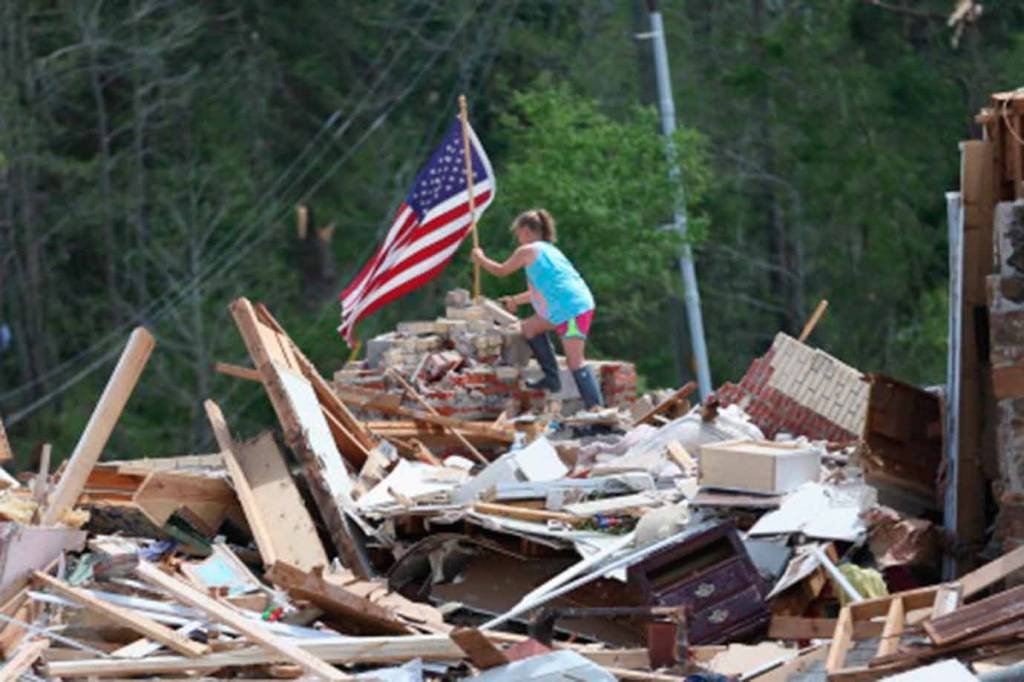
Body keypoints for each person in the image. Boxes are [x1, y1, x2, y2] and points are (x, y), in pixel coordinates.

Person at [470, 209, 603, 408]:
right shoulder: (549, 251)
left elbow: (501, 270)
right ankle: (552, 378)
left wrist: (480, 259)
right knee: (529, 328)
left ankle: (597, 411)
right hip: (568, 306)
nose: (518, 238)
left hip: (571, 311)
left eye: (518, 233)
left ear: (526, 230)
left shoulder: (528, 251)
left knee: (575, 361)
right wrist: (515, 299)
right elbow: (544, 290)